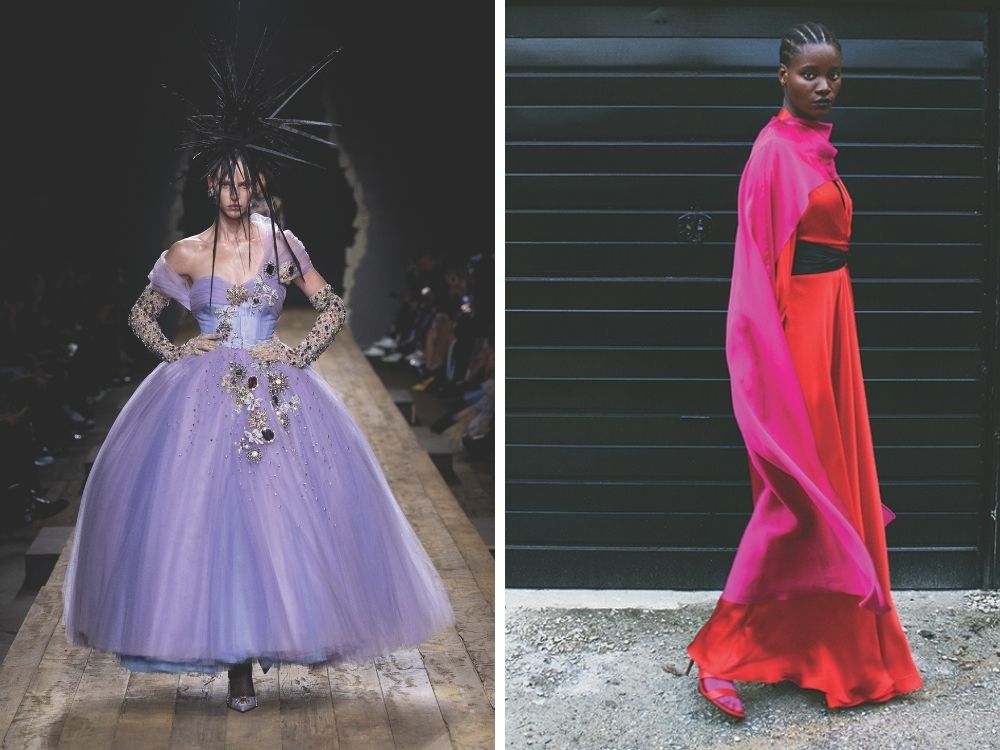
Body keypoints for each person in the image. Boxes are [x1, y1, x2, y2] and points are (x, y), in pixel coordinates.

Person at [61, 38, 455, 713]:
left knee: (280, 517)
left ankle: (260, 649)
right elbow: (139, 313)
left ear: (256, 185)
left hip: (277, 393)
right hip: (202, 394)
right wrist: (176, 351)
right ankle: (235, 658)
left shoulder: (282, 241)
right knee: (208, 519)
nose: (237, 194)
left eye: (247, 183)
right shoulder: (185, 252)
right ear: (210, 185)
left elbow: (329, 306)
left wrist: (296, 356)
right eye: (226, 182)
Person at [685, 22, 923, 718]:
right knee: (794, 501)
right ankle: (717, 654)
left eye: (835, 75)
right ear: (782, 76)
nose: (824, 86)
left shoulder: (814, 147)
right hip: (794, 339)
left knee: (831, 494)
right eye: (810, 74)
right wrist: (773, 370)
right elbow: (756, 276)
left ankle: (826, 653)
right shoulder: (772, 153)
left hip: (831, 324)